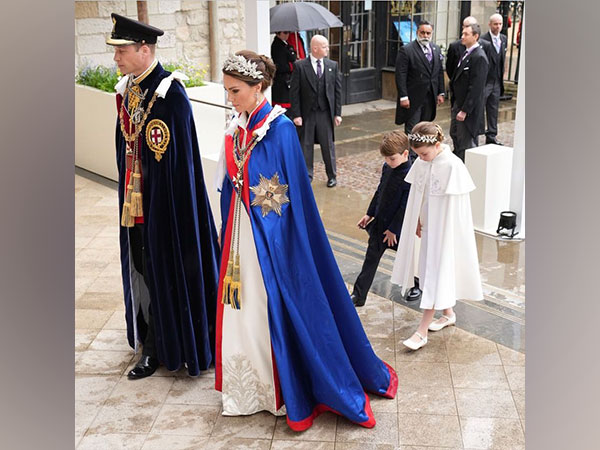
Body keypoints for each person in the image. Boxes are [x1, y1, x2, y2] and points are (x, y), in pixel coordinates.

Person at [215, 51, 397, 431]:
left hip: (273, 241)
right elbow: (228, 181)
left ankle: (284, 387)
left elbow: (288, 198)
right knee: (242, 307)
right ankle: (250, 386)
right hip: (241, 234)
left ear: (258, 87)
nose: (230, 98)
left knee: (268, 306)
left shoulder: (279, 130)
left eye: (235, 91)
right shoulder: (237, 126)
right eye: (228, 90)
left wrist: (263, 224)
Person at [107, 14, 220, 379]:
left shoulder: (169, 95)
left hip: (165, 208)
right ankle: (148, 337)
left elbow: (180, 165)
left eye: (122, 50)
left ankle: (159, 347)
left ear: (144, 49)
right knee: (141, 269)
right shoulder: (129, 89)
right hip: (135, 204)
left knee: (160, 272)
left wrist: (161, 207)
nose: (116, 58)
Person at [390, 122, 483, 351]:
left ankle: (421, 331)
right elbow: (420, 196)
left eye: (423, 154)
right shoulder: (423, 162)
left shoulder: (453, 166)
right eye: (417, 155)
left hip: (444, 232)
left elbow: (457, 210)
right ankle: (448, 313)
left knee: (434, 274)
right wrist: (419, 220)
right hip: (429, 229)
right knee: (429, 271)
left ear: (438, 145)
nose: (420, 159)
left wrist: (447, 233)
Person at [350, 130, 414, 307]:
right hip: (380, 225)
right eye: (386, 158)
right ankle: (359, 294)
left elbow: (405, 205)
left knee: (411, 259)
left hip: (397, 230)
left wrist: (394, 229)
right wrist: (369, 214)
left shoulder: (411, 174)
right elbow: (380, 192)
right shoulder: (388, 167)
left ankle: (418, 285)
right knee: (370, 260)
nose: (388, 162)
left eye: (392, 158)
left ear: (405, 154)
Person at [290, 34, 342, 188]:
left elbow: (337, 91)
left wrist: (337, 113)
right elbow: (294, 93)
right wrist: (296, 115)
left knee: (328, 146)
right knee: (306, 146)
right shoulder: (300, 66)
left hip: (325, 113)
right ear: (315, 48)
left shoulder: (332, 65)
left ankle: (332, 175)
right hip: (307, 114)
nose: (327, 48)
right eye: (324, 46)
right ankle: (307, 176)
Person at [394, 20, 445, 161]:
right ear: (417, 32)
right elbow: (401, 74)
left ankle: (424, 155)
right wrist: (403, 96)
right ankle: (411, 159)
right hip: (413, 98)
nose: (425, 35)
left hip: (430, 97)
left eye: (428, 33)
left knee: (426, 129)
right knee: (413, 130)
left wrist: (441, 92)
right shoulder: (407, 50)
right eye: (422, 32)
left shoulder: (435, 49)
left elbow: (439, 72)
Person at [448, 23, 489, 162]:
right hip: (458, 104)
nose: (462, 37)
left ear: (475, 36)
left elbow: (476, 88)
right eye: (462, 33)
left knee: (466, 144)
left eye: (466, 34)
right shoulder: (466, 53)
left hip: (467, 111)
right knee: (455, 136)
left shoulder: (479, 57)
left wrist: (465, 110)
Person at [480, 13, 507, 145]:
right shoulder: (483, 40)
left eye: (500, 24)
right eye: (495, 24)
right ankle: (476, 133)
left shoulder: (503, 39)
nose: (498, 26)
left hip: (497, 81)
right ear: (490, 24)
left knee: (493, 109)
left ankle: (491, 135)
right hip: (485, 81)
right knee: (479, 108)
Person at [270, 31, 297, 118]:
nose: (287, 35)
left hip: (288, 80)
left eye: (288, 32)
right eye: (285, 33)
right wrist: (294, 65)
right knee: (283, 109)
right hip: (281, 82)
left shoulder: (286, 44)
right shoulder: (277, 46)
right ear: (278, 33)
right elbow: (281, 66)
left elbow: (293, 57)